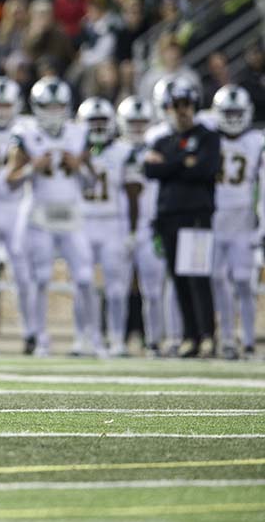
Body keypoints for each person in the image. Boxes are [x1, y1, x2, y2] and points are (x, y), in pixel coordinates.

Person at [7, 76, 100, 357]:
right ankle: (39, 337)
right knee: (40, 278)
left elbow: (92, 182)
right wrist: (32, 167)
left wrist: (79, 167)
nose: (53, 113)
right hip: (40, 213)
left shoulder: (78, 133)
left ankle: (89, 337)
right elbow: (10, 180)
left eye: (58, 106)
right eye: (47, 107)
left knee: (84, 278)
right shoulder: (24, 133)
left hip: (71, 212)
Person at [144, 77, 221, 357]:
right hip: (168, 215)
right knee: (177, 277)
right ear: (168, 108)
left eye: (186, 104)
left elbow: (205, 169)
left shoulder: (207, 136)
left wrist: (170, 164)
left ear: (195, 105)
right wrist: (183, 162)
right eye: (176, 105)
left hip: (196, 214)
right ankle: (189, 335)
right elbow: (151, 171)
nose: (182, 110)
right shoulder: (162, 139)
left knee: (197, 276)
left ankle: (207, 336)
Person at [0, 77, 34, 353]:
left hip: (16, 205)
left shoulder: (27, 128)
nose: (1, 110)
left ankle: (31, 332)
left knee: (23, 273)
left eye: (6, 104)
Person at [77, 97, 135, 357]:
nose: (98, 127)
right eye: (93, 122)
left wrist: (130, 229)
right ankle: (85, 338)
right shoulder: (74, 150)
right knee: (83, 283)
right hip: (83, 223)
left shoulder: (123, 151)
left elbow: (133, 194)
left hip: (111, 222)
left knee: (116, 287)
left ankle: (117, 339)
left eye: (103, 121)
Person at [208, 85, 261, 360]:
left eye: (237, 112)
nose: (232, 117)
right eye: (227, 112)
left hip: (242, 220)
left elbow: (262, 188)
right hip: (215, 218)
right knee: (217, 279)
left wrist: (260, 224)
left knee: (243, 281)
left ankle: (249, 339)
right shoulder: (208, 134)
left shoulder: (257, 141)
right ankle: (227, 337)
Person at [118, 96, 169, 356]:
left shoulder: (159, 147)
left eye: (142, 123)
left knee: (153, 288)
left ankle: (154, 340)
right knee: (118, 287)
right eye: (132, 123)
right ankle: (118, 338)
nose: (137, 128)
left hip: (150, 225)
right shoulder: (115, 149)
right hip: (119, 226)